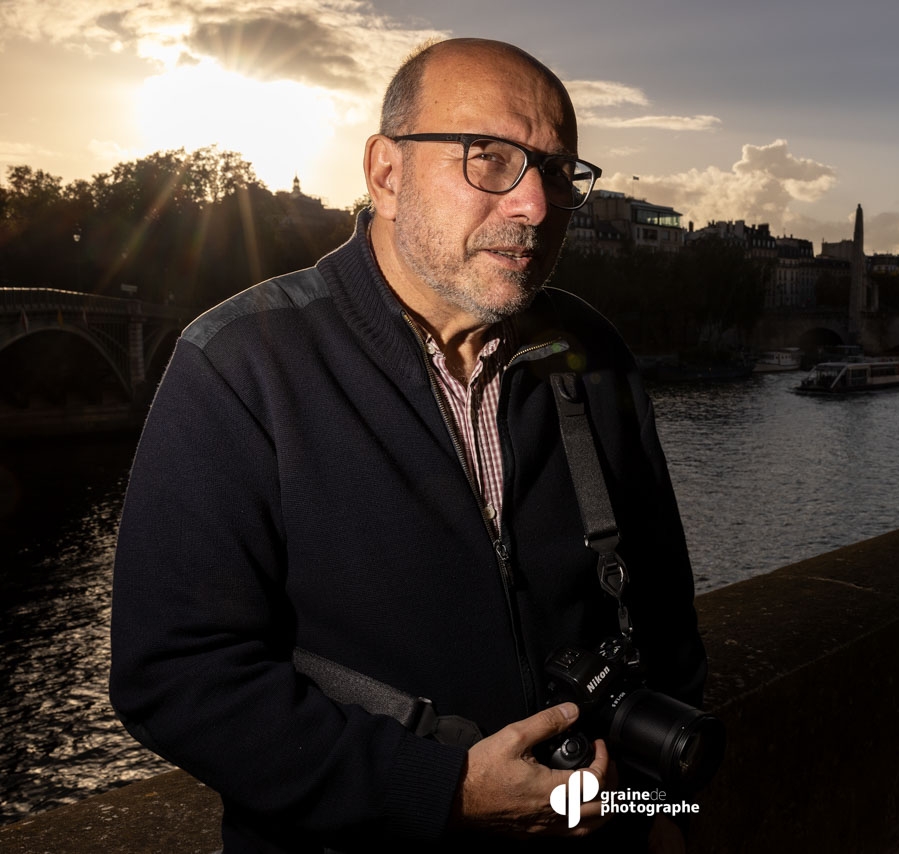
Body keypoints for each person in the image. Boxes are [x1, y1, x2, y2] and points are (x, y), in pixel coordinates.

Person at [109, 38, 707, 853]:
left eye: (558, 173)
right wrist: (441, 793)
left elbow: (667, 634)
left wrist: (659, 822)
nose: (536, 204)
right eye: (489, 158)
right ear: (386, 174)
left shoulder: (591, 352)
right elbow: (174, 679)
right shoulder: (238, 364)